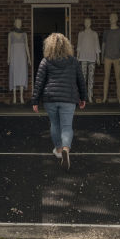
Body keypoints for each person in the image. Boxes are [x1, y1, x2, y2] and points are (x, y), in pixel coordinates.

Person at [31, 32, 87, 171]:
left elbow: (39, 82)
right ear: (66, 45)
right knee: (67, 126)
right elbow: (81, 80)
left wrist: (35, 101)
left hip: (50, 98)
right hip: (68, 98)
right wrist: (83, 98)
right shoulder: (73, 61)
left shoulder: (46, 61)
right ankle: (66, 149)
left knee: (55, 124)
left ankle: (58, 149)